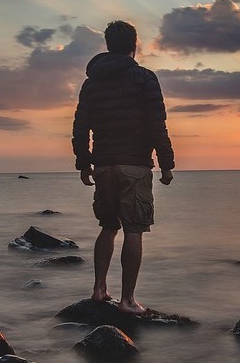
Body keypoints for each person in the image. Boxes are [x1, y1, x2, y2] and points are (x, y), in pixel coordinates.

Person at [72, 20, 174, 314]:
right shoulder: (144, 78)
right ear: (134, 45)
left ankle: (99, 289)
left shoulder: (92, 82)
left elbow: (81, 126)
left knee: (107, 226)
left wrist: (83, 162)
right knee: (133, 230)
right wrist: (166, 164)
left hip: (103, 165)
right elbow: (157, 123)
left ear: (107, 45)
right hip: (135, 165)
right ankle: (128, 300)